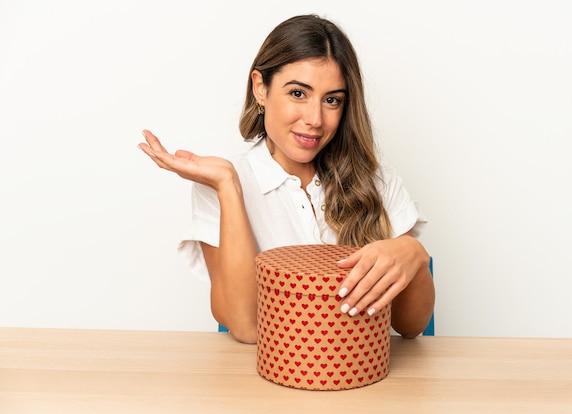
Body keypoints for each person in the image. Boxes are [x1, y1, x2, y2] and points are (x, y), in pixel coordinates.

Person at [138, 14, 435, 344]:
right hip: (268, 386)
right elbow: (248, 327)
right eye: (298, 93)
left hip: (362, 380)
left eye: (332, 100)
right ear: (260, 88)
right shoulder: (221, 187)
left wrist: (413, 255)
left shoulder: (380, 183)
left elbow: (410, 326)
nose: (314, 119)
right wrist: (227, 185)